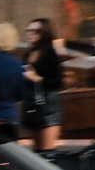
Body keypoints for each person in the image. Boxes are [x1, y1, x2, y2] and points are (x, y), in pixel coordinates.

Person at [21, 16, 67, 152]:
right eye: (28, 30)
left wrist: (37, 78)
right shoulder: (28, 53)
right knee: (36, 151)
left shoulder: (51, 54)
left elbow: (58, 82)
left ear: (45, 32)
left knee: (47, 151)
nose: (31, 34)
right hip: (32, 103)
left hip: (49, 106)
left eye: (36, 31)